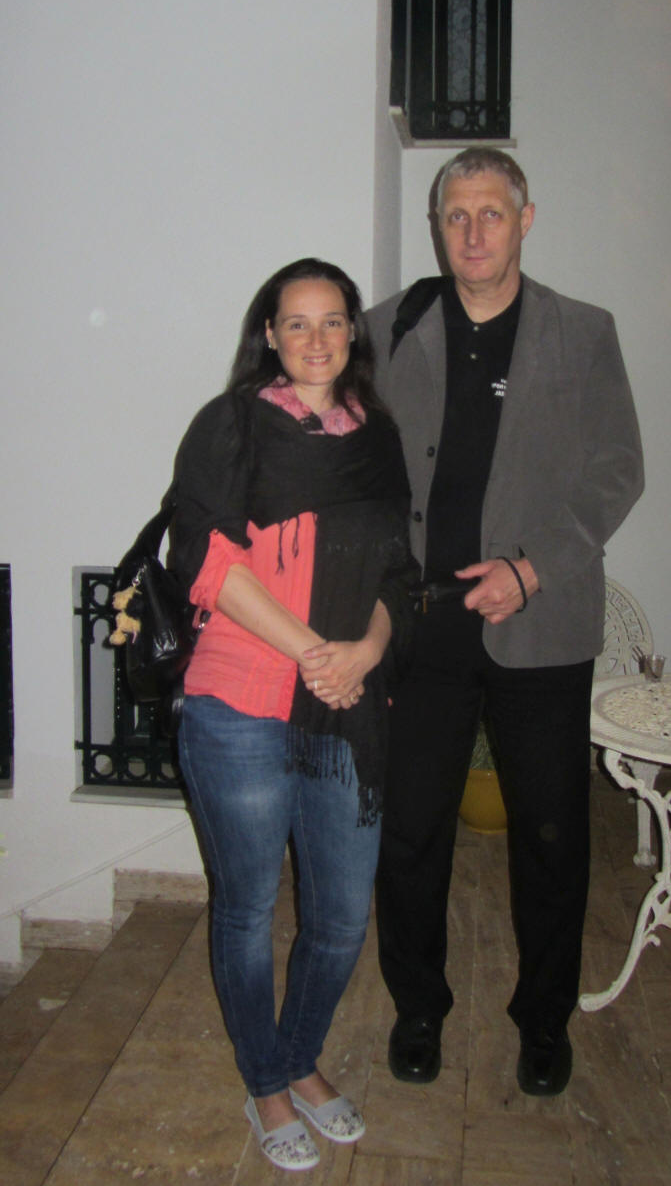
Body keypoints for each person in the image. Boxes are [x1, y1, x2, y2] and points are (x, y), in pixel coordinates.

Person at [367, 148, 644, 1097]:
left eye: (492, 212)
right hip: (424, 627)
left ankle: (544, 1020)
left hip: (542, 623)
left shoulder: (584, 332)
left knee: (552, 837)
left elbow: (618, 469)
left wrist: (530, 569)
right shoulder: (392, 329)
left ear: (526, 219)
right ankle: (417, 1007)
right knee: (410, 831)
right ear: (437, 226)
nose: (473, 232)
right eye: (456, 215)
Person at [170, 258, 414, 1172]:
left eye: (333, 320)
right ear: (269, 335)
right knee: (246, 910)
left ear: (354, 332)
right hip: (240, 703)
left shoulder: (378, 437)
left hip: (346, 705)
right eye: (297, 322)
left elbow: (399, 570)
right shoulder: (231, 425)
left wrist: (366, 651)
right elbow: (207, 560)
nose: (317, 338)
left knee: (343, 914)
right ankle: (266, 1080)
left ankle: (298, 1056)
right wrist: (317, 651)